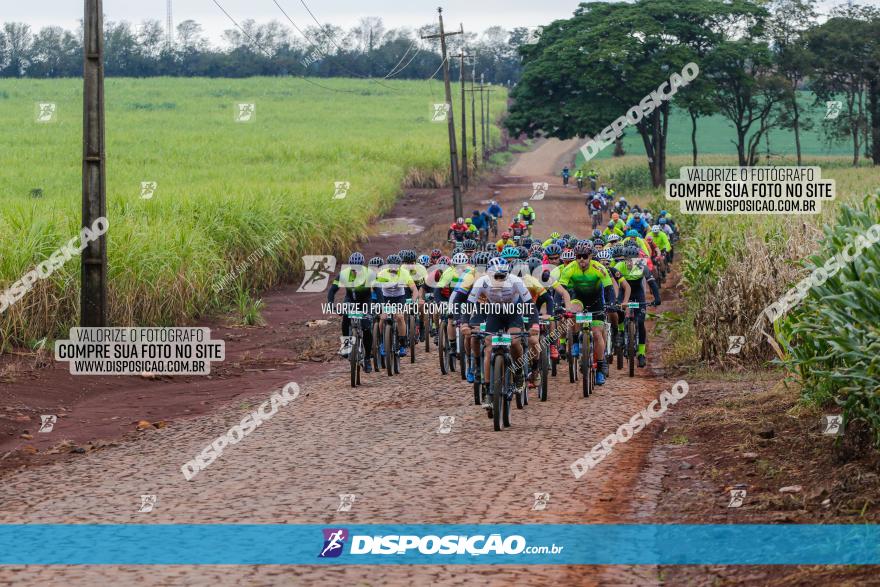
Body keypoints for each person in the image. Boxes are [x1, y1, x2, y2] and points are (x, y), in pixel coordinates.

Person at [557, 242, 614, 385]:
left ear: (590, 256)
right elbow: (562, 288)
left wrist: (611, 304)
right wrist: (559, 305)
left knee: (596, 333)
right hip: (578, 298)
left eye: (584, 256)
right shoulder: (570, 268)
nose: (581, 259)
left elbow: (609, 288)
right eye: (578, 257)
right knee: (574, 310)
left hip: (596, 302)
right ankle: (575, 340)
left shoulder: (599, 268)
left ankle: (600, 367)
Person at [327, 252, 375, 372]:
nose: (356, 271)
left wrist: (381, 306)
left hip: (365, 301)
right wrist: (330, 304)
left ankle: (368, 358)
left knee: (366, 328)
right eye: (353, 269)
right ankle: (346, 346)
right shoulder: (343, 274)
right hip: (350, 300)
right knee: (345, 319)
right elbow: (332, 291)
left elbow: (378, 292)